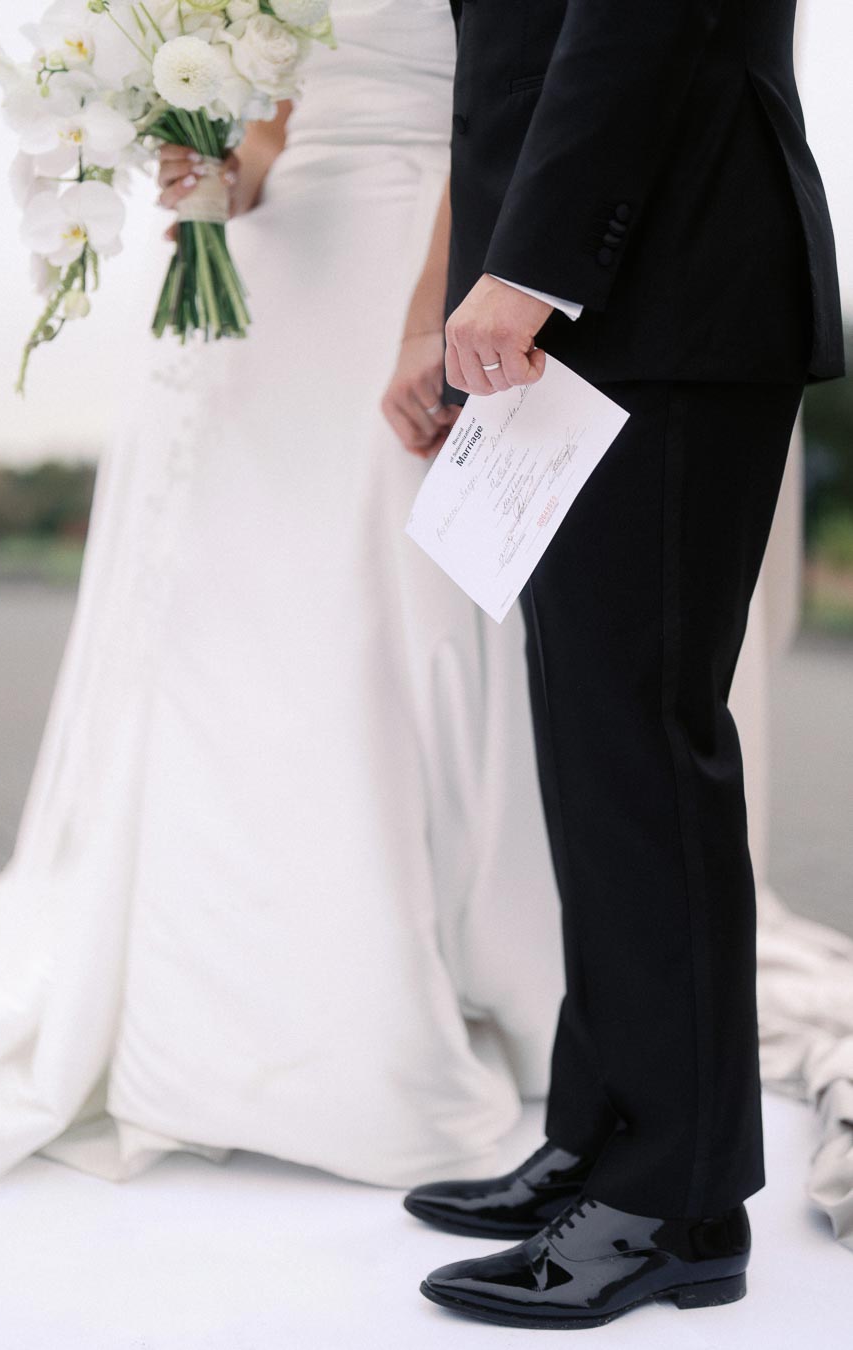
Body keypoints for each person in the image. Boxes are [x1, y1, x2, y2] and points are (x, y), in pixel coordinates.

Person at [0, 0, 563, 1192]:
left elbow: (501, 97)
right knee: (236, 629)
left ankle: (419, 964)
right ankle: (212, 997)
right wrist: (217, 177)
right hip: (280, 276)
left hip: (417, 252)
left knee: (386, 631)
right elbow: (279, 129)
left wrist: (436, 303)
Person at [406, 0, 845, 1329]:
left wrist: (532, 258)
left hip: (670, 258)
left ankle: (679, 1200)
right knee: (592, 737)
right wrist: (483, 283)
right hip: (585, 289)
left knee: (644, 731)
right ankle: (604, 1137)